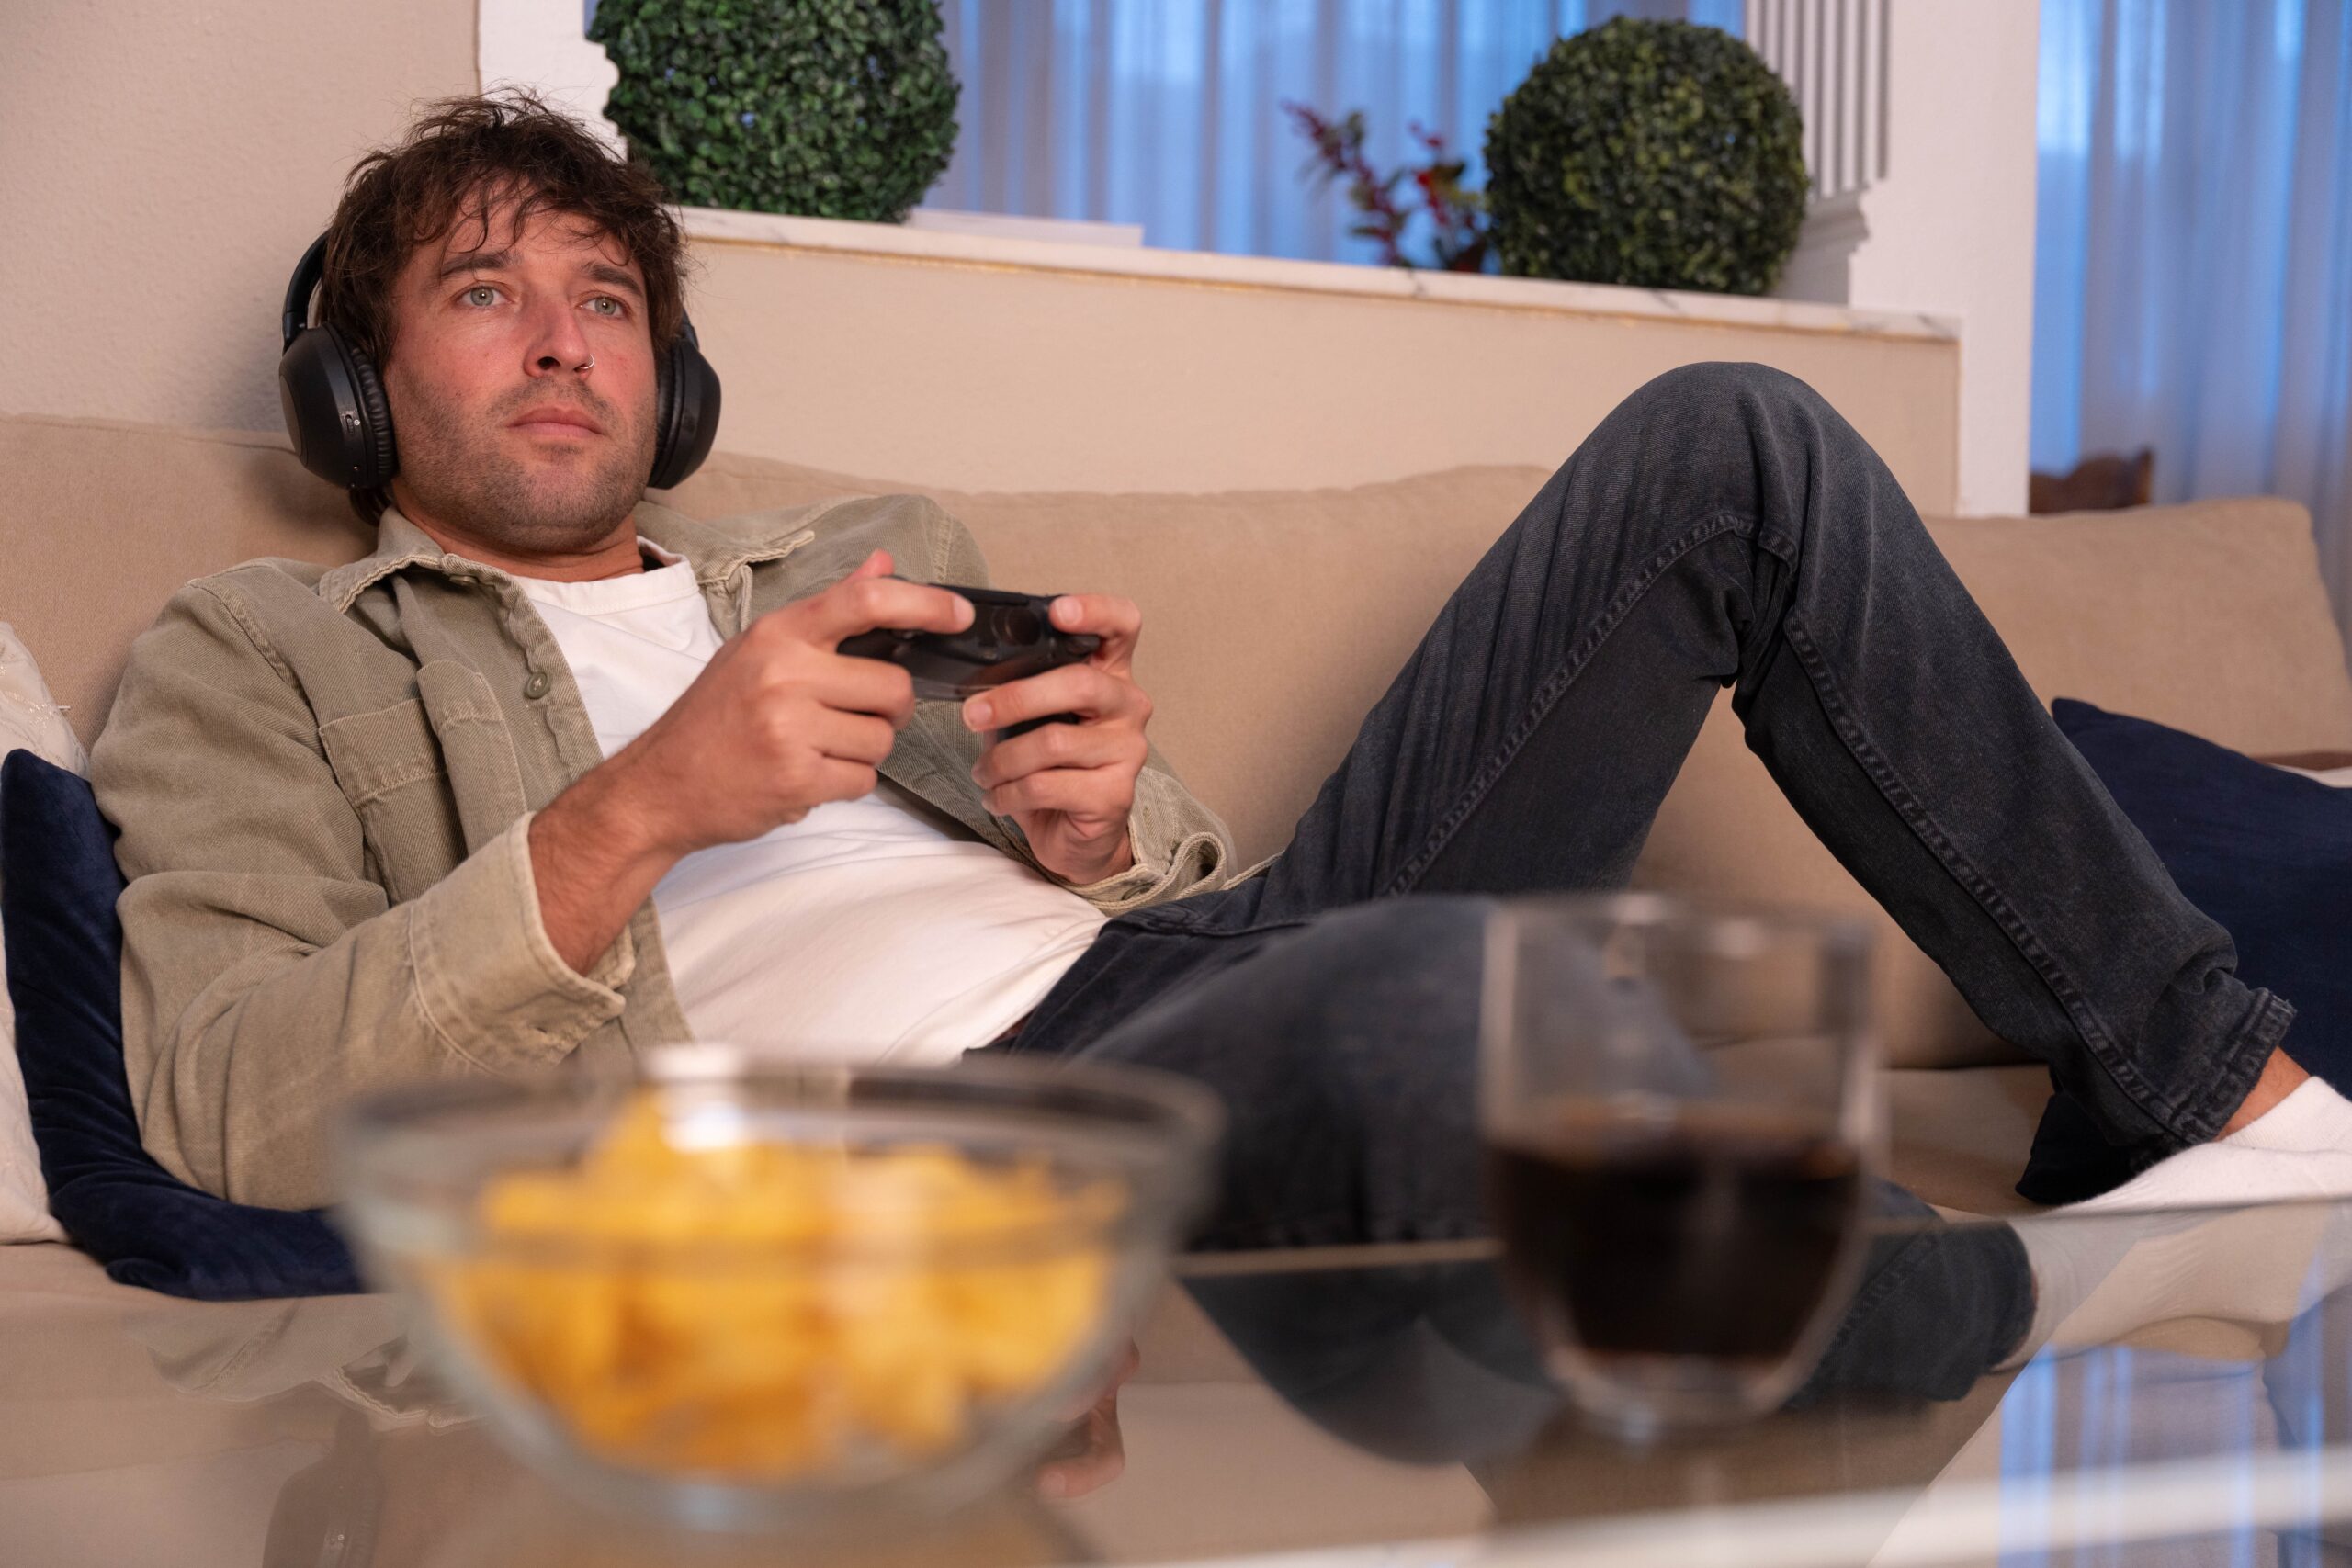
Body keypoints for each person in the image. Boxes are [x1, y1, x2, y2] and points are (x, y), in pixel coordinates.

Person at [93, 94, 2352, 1245]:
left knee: (1730, 443)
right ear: (356, 386)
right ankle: (1876, 1273)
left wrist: (1099, 829)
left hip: (1205, 969)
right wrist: (643, 802)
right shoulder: (252, 647)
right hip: (966, 1135)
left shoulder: (856, 557)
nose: (562, 339)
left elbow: (1173, 897)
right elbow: (216, 1101)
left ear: (668, 382)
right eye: (484, 292)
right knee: (1474, 1031)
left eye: (605, 298)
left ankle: (2188, 1088)